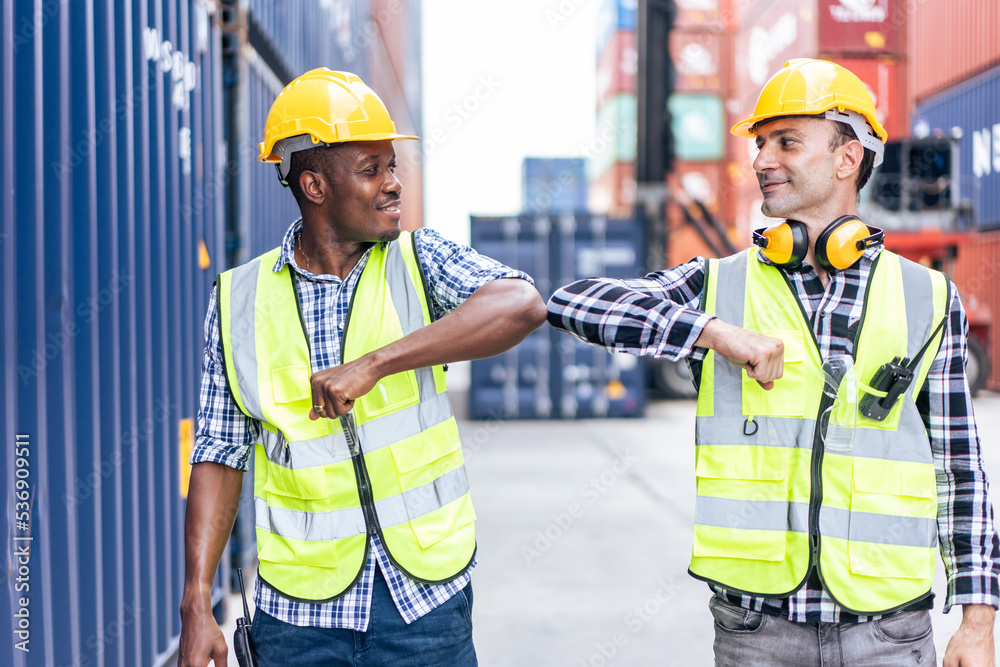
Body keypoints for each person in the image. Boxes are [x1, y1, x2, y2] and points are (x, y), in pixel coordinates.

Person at [547, 58, 1000, 666]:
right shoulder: (718, 286)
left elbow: (959, 470)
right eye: (760, 144)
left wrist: (978, 620)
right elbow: (570, 303)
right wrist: (711, 331)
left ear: (847, 158)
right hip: (758, 631)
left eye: (786, 142)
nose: (762, 161)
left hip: (888, 633)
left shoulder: (926, 297)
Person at [178, 68, 547, 667]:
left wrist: (375, 364)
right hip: (298, 619)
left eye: (393, 166)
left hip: (424, 603)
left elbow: (522, 304)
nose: (394, 184)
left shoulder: (419, 260)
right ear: (315, 186)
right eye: (372, 169)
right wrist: (196, 605)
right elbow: (220, 453)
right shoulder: (237, 301)